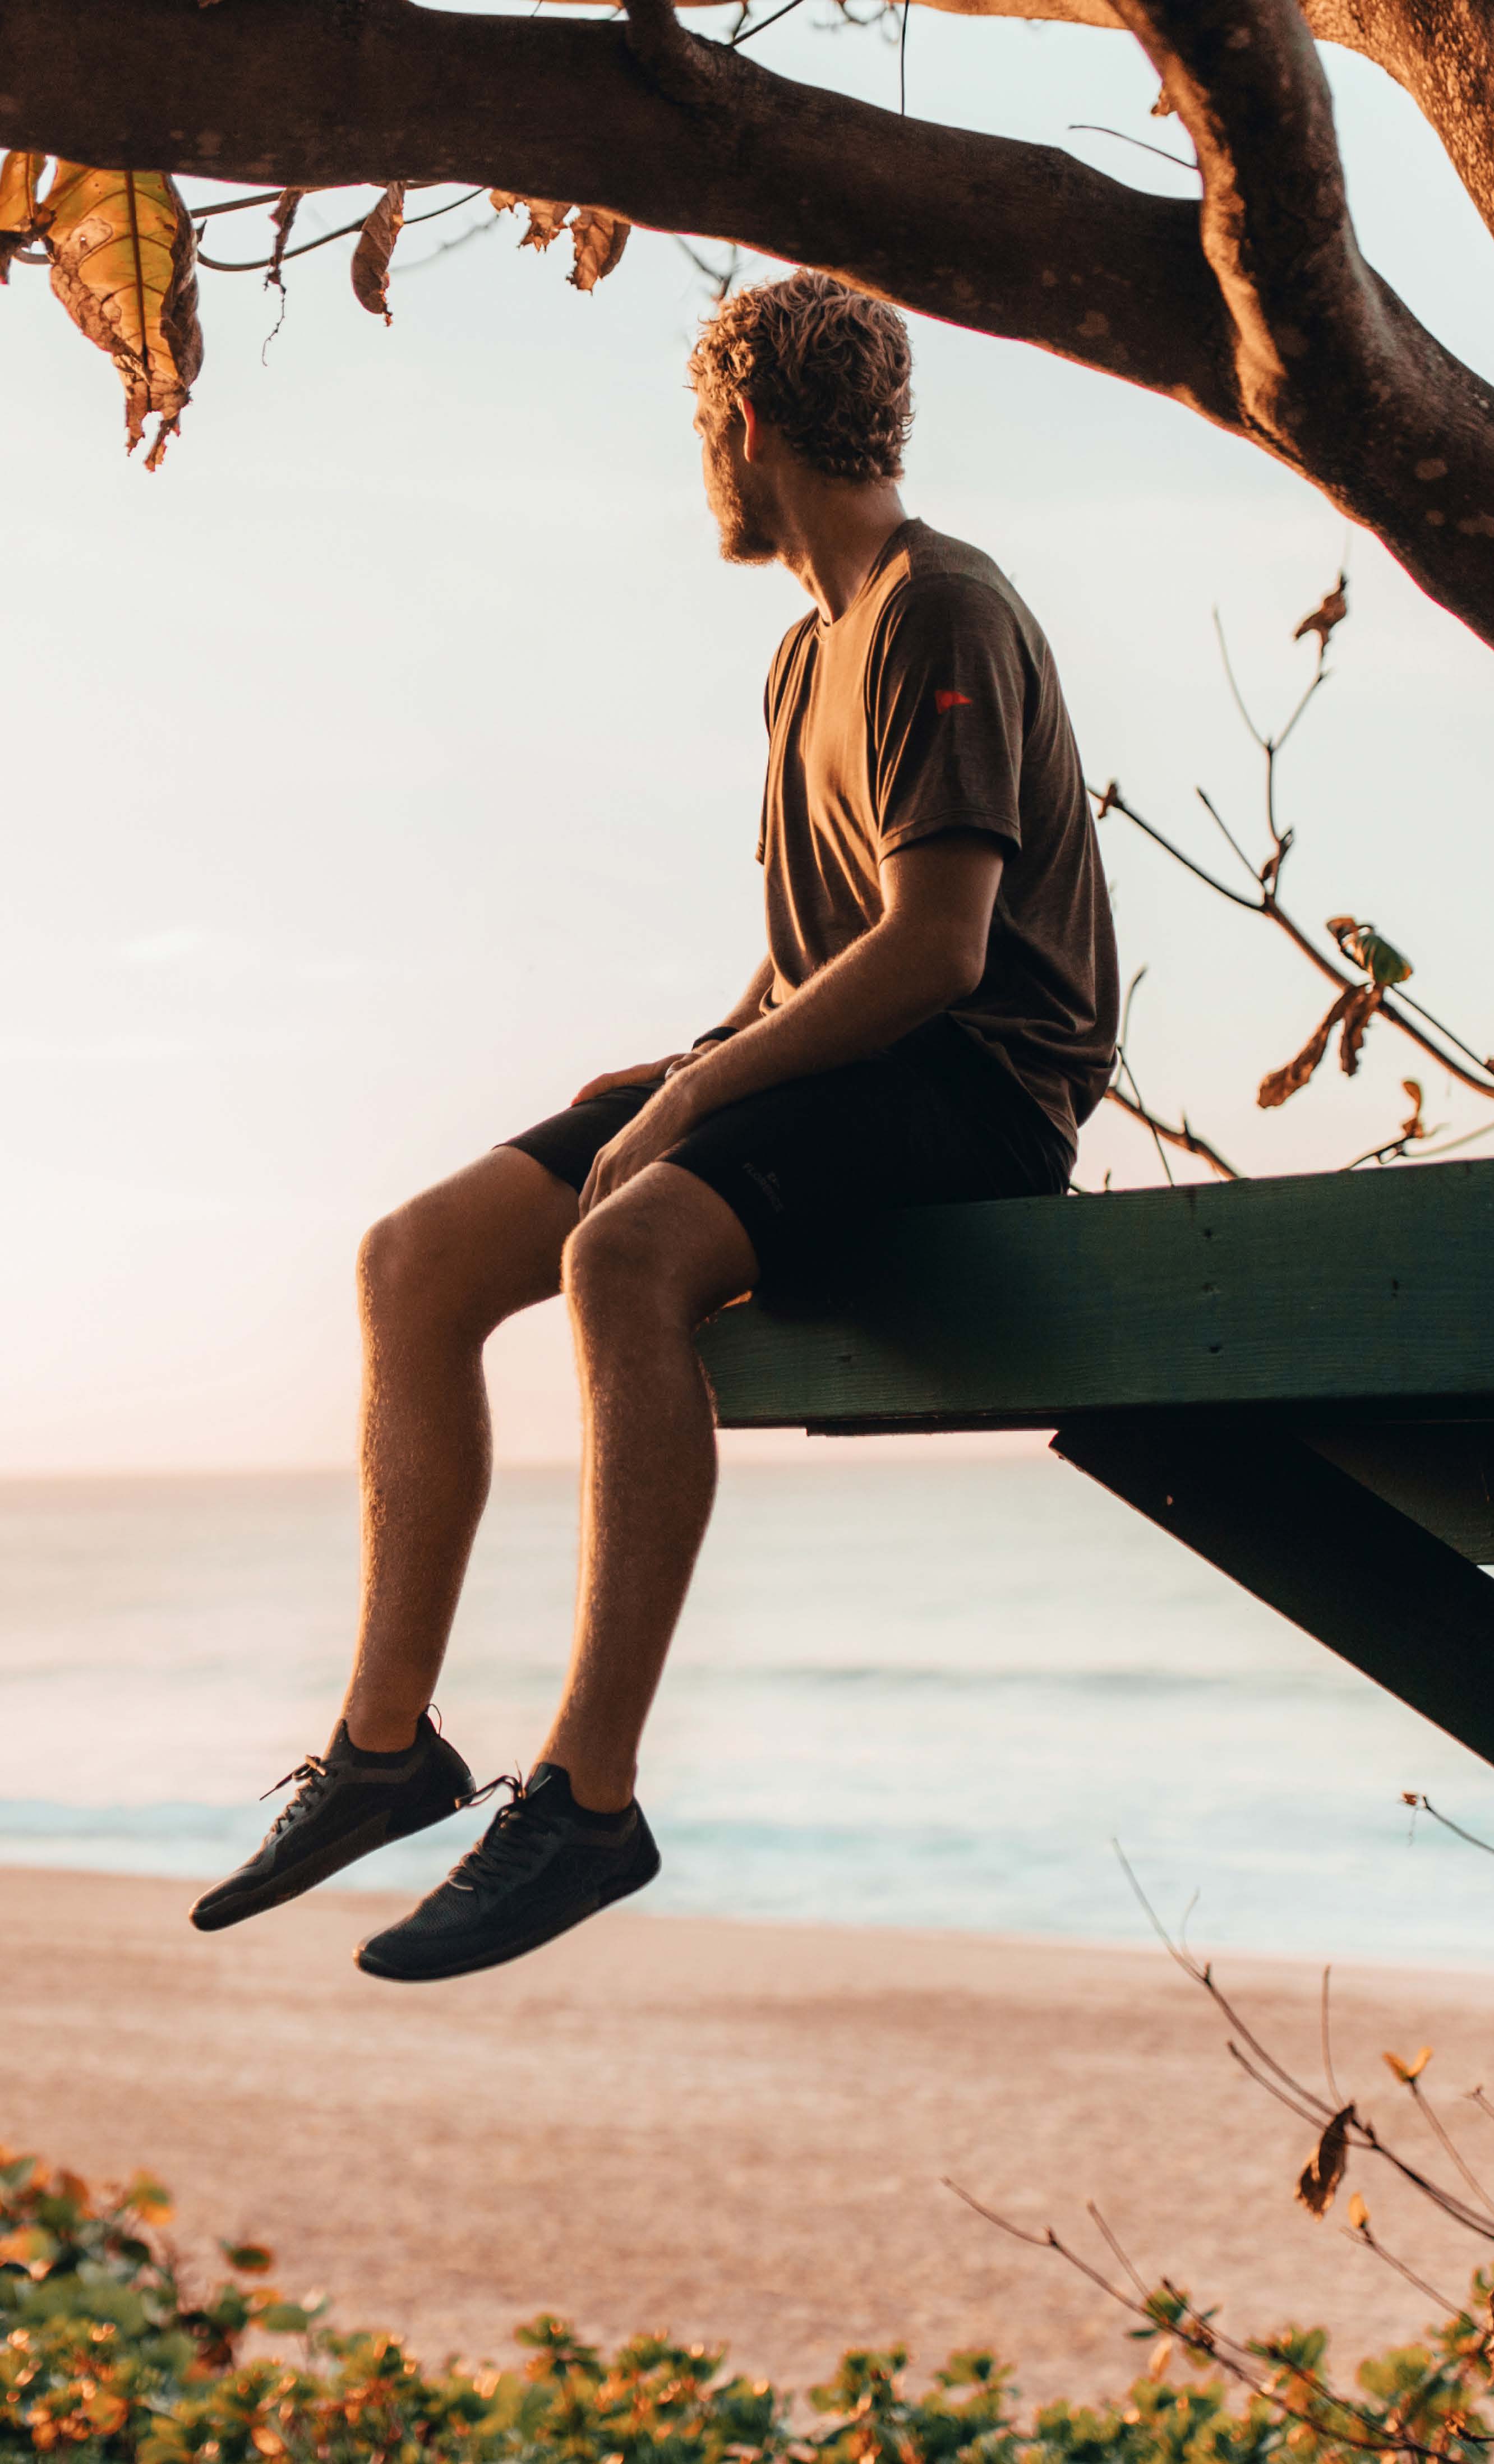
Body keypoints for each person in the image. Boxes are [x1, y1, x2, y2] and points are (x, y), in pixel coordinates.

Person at [189, 270, 1119, 1982]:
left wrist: (700, 1097)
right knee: (416, 1258)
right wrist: (692, 1059)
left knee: (625, 1249)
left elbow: (937, 948)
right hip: (832, 1059)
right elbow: (810, 963)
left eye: (705, 438)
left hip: (976, 1086)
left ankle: (588, 1800)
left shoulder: (940, 606)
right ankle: (388, 1748)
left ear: (745, 428)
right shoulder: (800, 656)